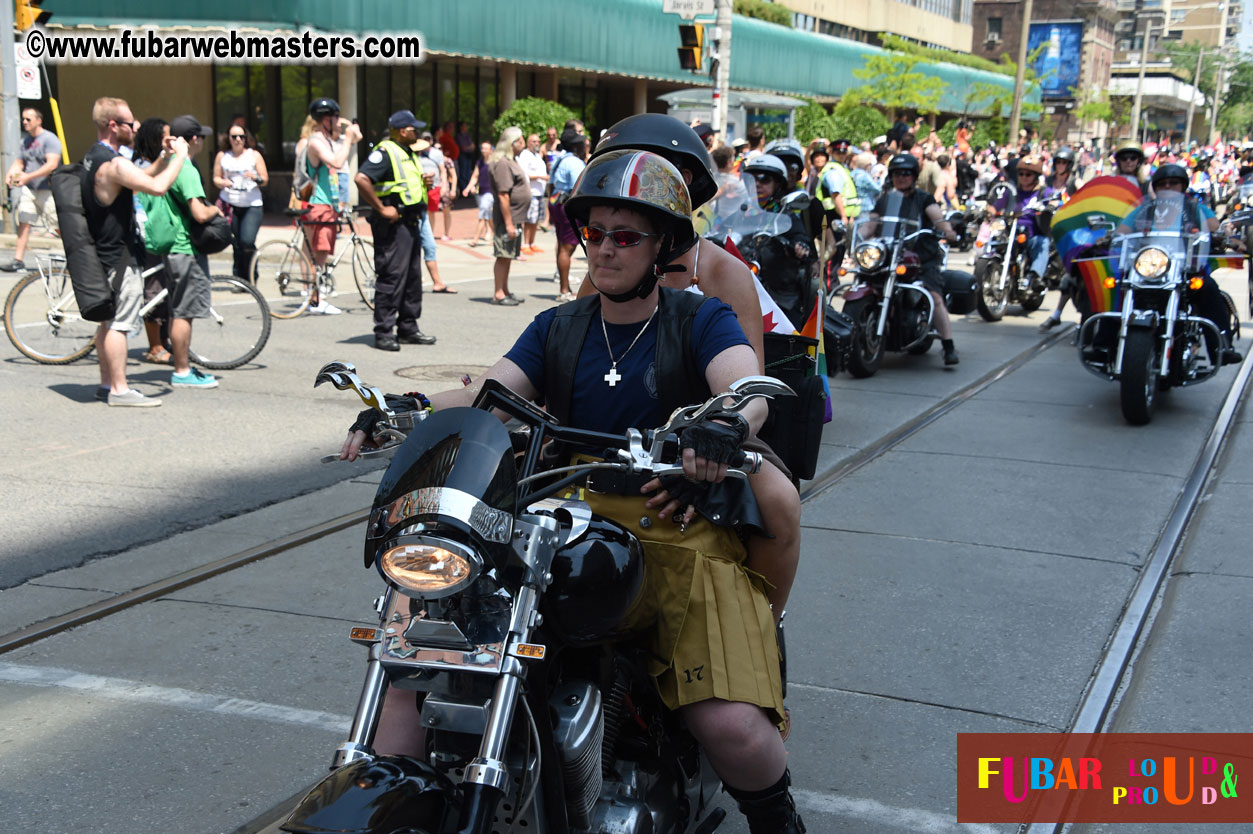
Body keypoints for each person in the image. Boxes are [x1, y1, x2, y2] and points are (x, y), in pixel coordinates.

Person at [344, 150, 806, 834]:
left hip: (672, 522)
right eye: (594, 233)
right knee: (423, 653)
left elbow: (744, 383)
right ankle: (393, 792)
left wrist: (723, 424)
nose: (606, 249)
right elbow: (489, 394)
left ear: (663, 248)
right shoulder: (558, 327)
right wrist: (404, 407)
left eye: (626, 236)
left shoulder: (696, 319)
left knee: (731, 726)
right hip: (554, 517)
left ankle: (778, 821)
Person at [578, 114, 801, 624]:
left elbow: (749, 386)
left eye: (658, 176)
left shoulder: (727, 274)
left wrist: (719, 432)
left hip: (709, 432)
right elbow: (567, 352)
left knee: (780, 502)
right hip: (611, 427)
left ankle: (763, 633)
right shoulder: (604, 266)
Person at [83, 96, 188, 407]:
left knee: (108, 322)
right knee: (119, 323)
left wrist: (165, 157)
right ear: (114, 126)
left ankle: (106, 385)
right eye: (131, 122)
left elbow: (143, 177)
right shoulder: (113, 164)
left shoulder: (96, 156)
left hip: (106, 252)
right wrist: (181, 156)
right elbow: (156, 187)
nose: (136, 127)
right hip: (119, 255)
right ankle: (119, 389)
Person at [1111, 164, 1243, 364]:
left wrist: (1227, 237)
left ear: (1183, 186)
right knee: (1117, 284)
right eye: (1162, 184)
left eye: (1173, 183)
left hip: (1185, 270)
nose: (1168, 187)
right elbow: (1122, 231)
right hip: (1147, 269)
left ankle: (1222, 347)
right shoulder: (1143, 210)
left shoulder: (1196, 209)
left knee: (1208, 287)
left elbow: (1216, 228)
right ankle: (1103, 344)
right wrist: (1109, 237)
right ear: (1155, 188)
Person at [353, 110, 437, 352]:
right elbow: (361, 178)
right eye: (414, 129)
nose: (417, 133)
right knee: (391, 277)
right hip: (392, 225)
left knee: (412, 279)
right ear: (402, 131)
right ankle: (384, 332)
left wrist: (425, 183)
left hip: (410, 223)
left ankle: (408, 327)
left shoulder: (407, 153)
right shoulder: (385, 152)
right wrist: (380, 208)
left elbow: (403, 185)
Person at [867, 154, 960, 365]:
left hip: (920, 258)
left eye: (906, 173)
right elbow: (871, 224)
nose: (901, 177)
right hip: (889, 256)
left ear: (914, 176)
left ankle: (948, 346)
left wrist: (947, 230)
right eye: (897, 174)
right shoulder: (885, 200)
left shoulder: (923, 198)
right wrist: (856, 234)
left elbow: (937, 217)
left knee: (934, 295)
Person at [161, 114, 224, 391]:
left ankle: (182, 365)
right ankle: (182, 370)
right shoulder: (186, 168)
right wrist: (216, 209)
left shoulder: (169, 163)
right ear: (194, 139)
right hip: (186, 246)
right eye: (201, 136)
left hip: (173, 245)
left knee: (179, 309)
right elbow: (199, 212)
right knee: (184, 312)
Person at [304, 98, 362, 314]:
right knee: (317, 255)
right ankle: (315, 300)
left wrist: (348, 130)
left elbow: (357, 138)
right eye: (336, 117)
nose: (339, 121)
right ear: (325, 119)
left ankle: (316, 297)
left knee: (322, 254)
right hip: (318, 204)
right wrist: (347, 137)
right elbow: (336, 162)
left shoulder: (329, 140)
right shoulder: (316, 141)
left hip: (329, 204)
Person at [132, 117, 174, 366]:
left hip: (161, 234)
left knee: (163, 290)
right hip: (145, 235)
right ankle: (155, 346)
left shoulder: (158, 163)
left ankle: (163, 342)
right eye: (166, 136)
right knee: (153, 290)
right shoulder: (139, 165)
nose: (170, 140)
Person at [3, 107, 61, 272]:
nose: (25, 122)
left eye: (28, 119)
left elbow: (52, 164)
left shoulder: (50, 139)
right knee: (24, 220)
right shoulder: (26, 141)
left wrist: (29, 176)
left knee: (58, 224)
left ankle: (76, 257)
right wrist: (10, 174)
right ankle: (18, 260)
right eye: (23, 119)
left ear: (38, 120)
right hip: (30, 190)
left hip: (47, 189)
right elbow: (20, 162)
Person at [988, 155, 1054, 292]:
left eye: (1028, 174)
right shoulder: (1012, 191)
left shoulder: (1043, 192)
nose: (1024, 177)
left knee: (1042, 242)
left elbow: (1053, 200)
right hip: (1011, 231)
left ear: (1036, 176)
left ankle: (1036, 277)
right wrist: (989, 211)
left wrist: (1050, 206)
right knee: (995, 242)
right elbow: (996, 205)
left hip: (1031, 234)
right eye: (1021, 174)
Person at [212, 124, 268, 283]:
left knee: (247, 241)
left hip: (252, 203)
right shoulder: (223, 156)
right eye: (234, 136)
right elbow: (215, 178)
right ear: (228, 139)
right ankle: (239, 279)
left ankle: (251, 276)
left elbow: (265, 179)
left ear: (246, 138)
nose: (238, 140)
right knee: (236, 243)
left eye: (241, 137)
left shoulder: (254, 155)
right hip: (230, 203)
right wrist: (223, 182)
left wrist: (255, 177)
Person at [489, 125, 530, 305]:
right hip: (508, 218)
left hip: (515, 217)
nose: (523, 144)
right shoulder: (503, 163)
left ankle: (504, 289)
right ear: (512, 143)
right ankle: (499, 292)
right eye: (521, 141)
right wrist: (509, 224)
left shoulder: (511, 161)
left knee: (509, 255)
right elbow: (503, 195)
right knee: (503, 255)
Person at [548, 128, 587, 302]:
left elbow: (550, 184)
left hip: (556, 202)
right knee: (567, 248)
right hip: (567, 205)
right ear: (575, 145)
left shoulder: (559, 159)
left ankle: (564, 287)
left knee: (562, 245)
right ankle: (564, 290)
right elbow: (581, 185)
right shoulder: (574, 162)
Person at [518, 132, 548, 255]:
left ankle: (532, 243)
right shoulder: (525, 155)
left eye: (538, 142)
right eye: (534, 141)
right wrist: (541, 177)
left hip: (539, 192)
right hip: (531, 192)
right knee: (529, 219)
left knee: (536, 220)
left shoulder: (537, 156)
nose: (537, 143)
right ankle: (525, 244)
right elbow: (524, 174)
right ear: (528, 143)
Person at [461, 141, 495, 247]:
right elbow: (475, 176)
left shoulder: (495, 164)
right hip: (482, 192)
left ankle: (475, 239)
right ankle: (496, 235)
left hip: (491, 193)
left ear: (491, 150)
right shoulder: (479, 163)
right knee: (488, 216)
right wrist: (468, 188)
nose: (483, 150)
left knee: (482, 214)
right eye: (482, 148)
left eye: (486, 148)